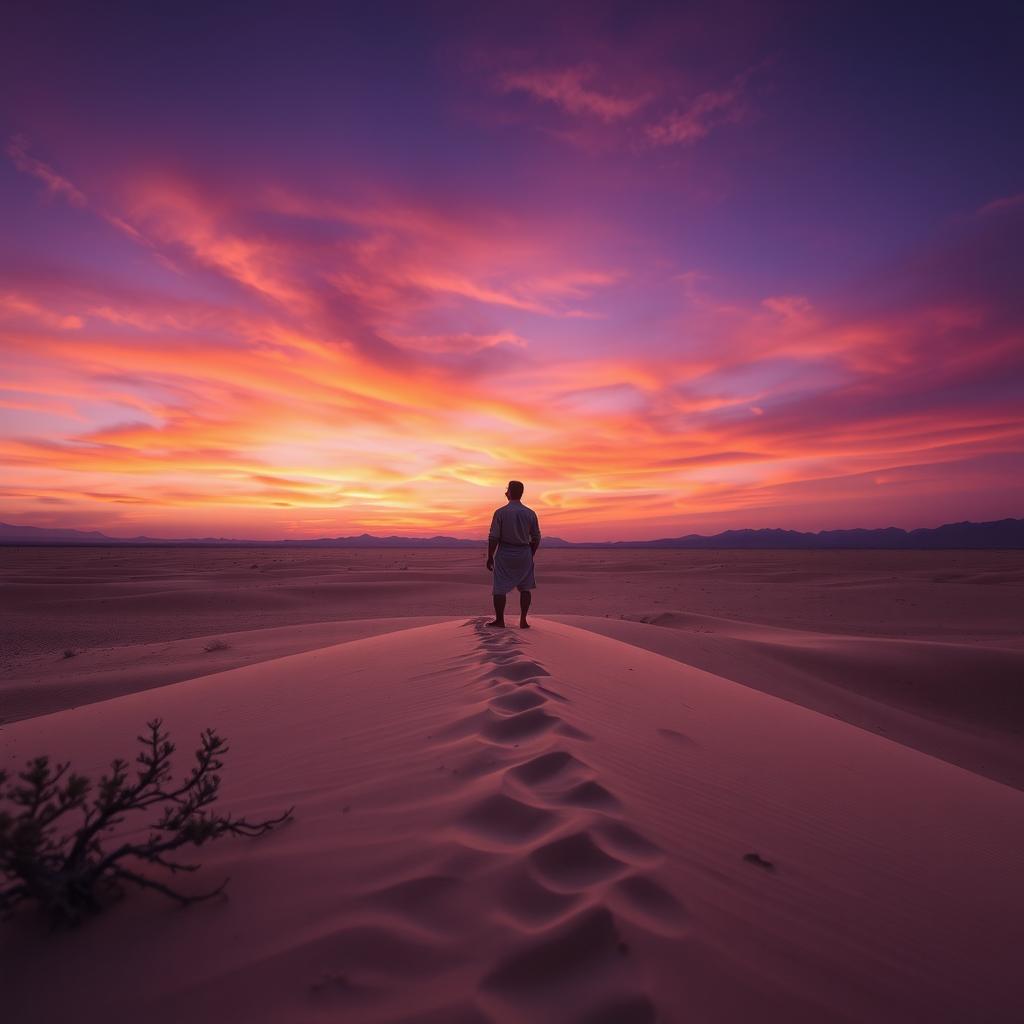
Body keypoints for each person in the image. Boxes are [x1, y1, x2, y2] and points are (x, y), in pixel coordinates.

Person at [486, 480, 541, 628]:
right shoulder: (530, 513)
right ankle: (523, 620)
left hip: (505, 553)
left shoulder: (501, 512)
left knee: (499, 588)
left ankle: (500, 620)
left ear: (509, 492)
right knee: (525, 587)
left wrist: (490, 555)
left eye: (507, 490)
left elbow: (494, 537)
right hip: (524, 553)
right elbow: (536, 537)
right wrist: (531, 553)